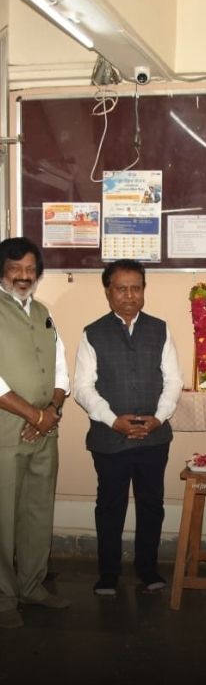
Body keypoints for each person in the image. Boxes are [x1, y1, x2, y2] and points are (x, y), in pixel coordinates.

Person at [72, 260, 182, 596]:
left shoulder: (160, 329)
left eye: (136, 288)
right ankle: (108, 573)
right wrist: (112, 420)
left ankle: (147, 568)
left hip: (154, 436)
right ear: (108, 291)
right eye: (121, 288)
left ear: (144, 290)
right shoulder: (93, 332)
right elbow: (83, 387)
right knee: (110, 506)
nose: (129, 295)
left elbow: (173, 379)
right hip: (109, 438)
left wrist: (159, 417)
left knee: (152, 504)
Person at [0, 237, 71, 628]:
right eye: (15, 269)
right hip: (6, 431)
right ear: (2, 271)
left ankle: (32, 586)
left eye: (30, 269)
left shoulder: (44, 312)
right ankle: (4, 598)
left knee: (37, 512)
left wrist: (51, 411)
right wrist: (31, 414)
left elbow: (62, 371)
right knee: (2, 516)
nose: (24, 276)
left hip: (45, 430)